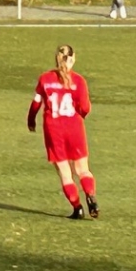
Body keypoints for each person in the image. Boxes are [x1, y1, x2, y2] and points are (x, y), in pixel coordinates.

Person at [29, 43, 97, 219]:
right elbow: (85, 108)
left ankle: (77, 208)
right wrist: (80, 113)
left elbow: (36, 102)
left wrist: (31, 120)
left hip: (54, 129)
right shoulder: (79, 81)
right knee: (83, 169)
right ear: (73, 59)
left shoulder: (45, 79)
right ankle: (90, 195)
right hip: (74, 127)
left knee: (65, 173)